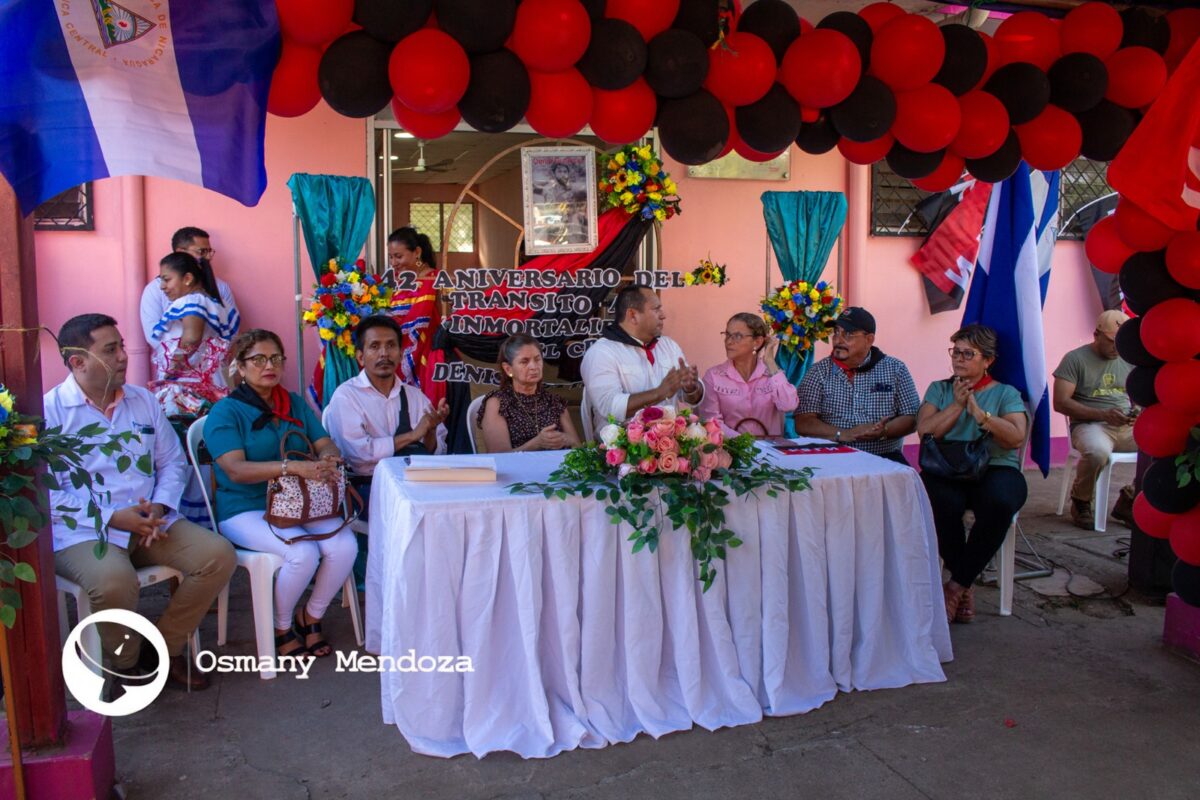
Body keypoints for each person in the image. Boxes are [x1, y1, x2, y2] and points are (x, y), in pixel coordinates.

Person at [47, 314, 236, 691]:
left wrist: (161, 507)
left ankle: (163, 652)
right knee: (114, 582)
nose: (123, 356)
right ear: (77, 362)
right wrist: (111, 517)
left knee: (218, 555)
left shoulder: (143, 400)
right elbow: (50, 493)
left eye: (120, 346)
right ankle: (127, 665)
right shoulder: (50, 411)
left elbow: (172, 463)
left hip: (150, 521)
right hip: (85, 530)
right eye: (110, 349)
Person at [204, 330, 358, 659]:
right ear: (240, 368)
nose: (268, 365)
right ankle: (282, 625)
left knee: (345, 546)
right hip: (245, 507)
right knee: (303, 553)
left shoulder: (293, 403)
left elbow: (322, 441)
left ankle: (311, 617)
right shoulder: (225, 412)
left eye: (275, 358)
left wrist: (328, 456)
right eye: (257, 359)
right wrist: (291, 468)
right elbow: (235, 470)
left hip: (298, 503)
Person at [917, 324, 1029, 625]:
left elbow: (1016, 437)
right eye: (956, 352)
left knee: (1001, 502)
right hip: (948, 467)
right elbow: (926, 431)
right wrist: (957, 405)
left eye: (968, 354)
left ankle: (955, 585)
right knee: (939, 502)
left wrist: (980, 414)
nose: (959, 360)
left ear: (988, 360)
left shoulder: (1005, 393)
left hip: (994, 467)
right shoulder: (939, 389)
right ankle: (964, 583)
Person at [794, 307, 919, 465]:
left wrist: (884, 431)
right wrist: (844, 434)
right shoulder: (818, 371)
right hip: (832, 459)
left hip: (885, 457)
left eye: (848, 334)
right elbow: (803, 422)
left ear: (869, 339)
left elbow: (912, 418)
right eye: (836, 332)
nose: (838, 340)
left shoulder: (895, 369)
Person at [1052, 310, 1136, 530]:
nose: (1116, 347)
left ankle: (1131, 498)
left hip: (1125, 425)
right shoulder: (1075, 359)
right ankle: (1081, 501)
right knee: (1098, 452)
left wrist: (1138, 413)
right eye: (1111, 341)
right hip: (1089, 424)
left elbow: (1139, 394)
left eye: (1121, 341)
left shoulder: (1129, 358)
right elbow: (1060, 403)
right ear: (1096, 334)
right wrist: (1102, 415)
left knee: (1164, 445)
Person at [580, 285, 705, 433]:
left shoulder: (669, 346)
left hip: (670, 448)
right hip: (620, 451)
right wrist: (659, 392)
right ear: (633, 315)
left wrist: (691, 388)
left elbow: (690, 398)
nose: (663, 315)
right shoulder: (601, 353)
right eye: (656, 309)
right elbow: (609, 408)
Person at [146, 252, 238, 418]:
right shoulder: (209, 300)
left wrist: (173, 369)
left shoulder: (192, 301)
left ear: (188, 278)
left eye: (166, 279)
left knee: (186, 435)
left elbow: (192, 338)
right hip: (207, 379)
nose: (162, 286)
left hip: (190, 385)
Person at [698, 312, 798, 436]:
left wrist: (770, 362)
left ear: (757, 342)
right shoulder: (713, 376)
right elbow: (711, 422)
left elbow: (789, 405)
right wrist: (745, 445)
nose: (728, 341)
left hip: (773, 452)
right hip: (733, 451)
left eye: (737, 336)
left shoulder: (773, 374)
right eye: (727, 335)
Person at [478, 334, 581, 452]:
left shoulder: (554, 401)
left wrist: (566, 439)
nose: (534, 367)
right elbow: (499, 456)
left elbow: (578, 448)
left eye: (537, 359)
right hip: (515, 470)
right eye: (524, 362)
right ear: (508, 369)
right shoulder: (498, 403)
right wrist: (536, 443)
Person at [139, 227, 238, 345]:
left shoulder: (220, 287)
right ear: (180, 252)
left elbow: (230, 335)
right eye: (202, 251)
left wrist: (200, 358)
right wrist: (176, 358)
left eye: (209, 251)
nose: (208, 257)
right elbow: (153, 336)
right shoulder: (153, 290)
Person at [387, 226, 440, 393]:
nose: (393, 263)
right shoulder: (400, 281)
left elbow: (418, 321)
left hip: (424, 359)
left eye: (398, 256)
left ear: (417, 252)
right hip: (396, 349)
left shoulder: (432, 279)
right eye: (391, 257)